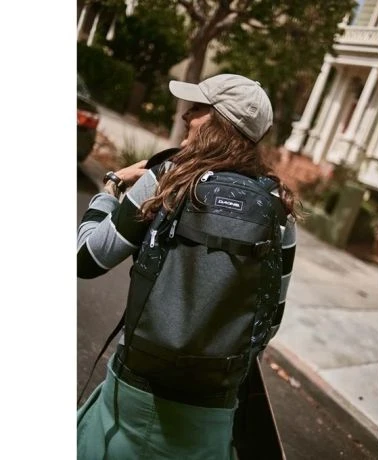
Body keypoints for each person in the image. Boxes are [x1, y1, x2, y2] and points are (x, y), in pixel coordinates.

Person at [77, 74, 297, 459]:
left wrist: (110, 187)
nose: (185, 116)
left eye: (197, 109)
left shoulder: (169, 179)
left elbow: (87, 258)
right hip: (211, 415)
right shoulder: (279, 211)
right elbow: (270, 320)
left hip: (132, 399)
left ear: (220, 122)